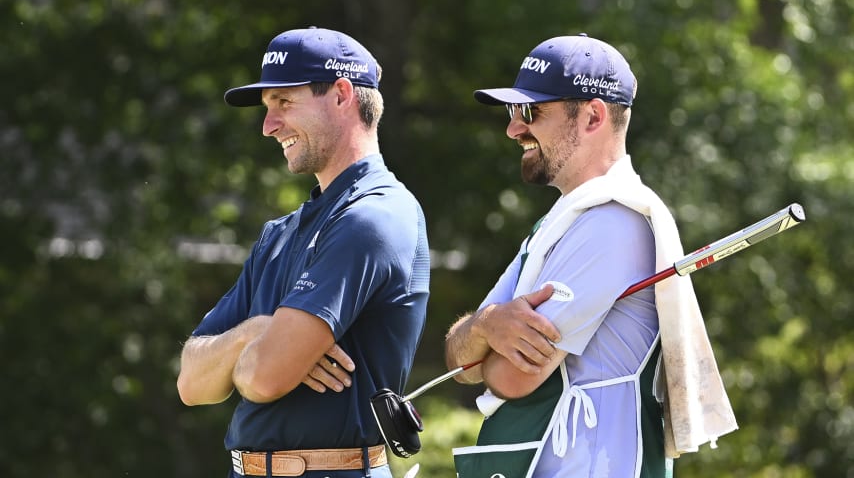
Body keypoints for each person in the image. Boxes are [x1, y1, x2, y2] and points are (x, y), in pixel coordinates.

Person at [445, 34, 737, 477]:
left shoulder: (613, 223)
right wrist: (486, 325)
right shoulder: (560, 224)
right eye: (512, 111)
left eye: (530, 111)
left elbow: (511, 377)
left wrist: (485, 337)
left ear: (593, 116)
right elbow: (459, 363)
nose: (513, 128)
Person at [176, 27, 430, 478]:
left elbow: (263, 377)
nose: (268, 125)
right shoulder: (281, 232)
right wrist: (257, 329)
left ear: (341, 95)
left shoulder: (373, 217)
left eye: (284, 102)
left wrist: (255, 353)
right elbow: (193, 383)